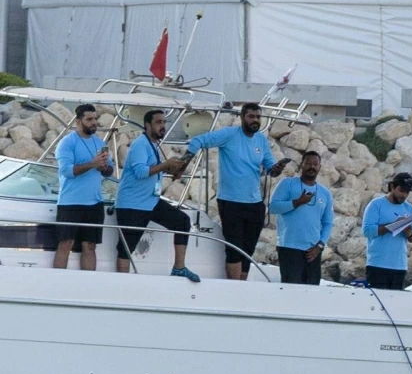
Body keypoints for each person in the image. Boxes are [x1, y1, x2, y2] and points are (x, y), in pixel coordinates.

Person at [181, 103, 289, 280]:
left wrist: (278, 167)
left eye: (258, 117)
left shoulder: (261, 140)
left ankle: (241, 286)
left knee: (248, 250)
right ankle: (234, 287)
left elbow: (270, 169)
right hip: (231, 202)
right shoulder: (230, 134)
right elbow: (198, 140)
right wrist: (183, 162)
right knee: (234, 248)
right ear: (242, 118)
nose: (255, 120)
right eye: (251, 116)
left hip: (254, 203)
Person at [114, 109, 200, 281]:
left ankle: (179, 267)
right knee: (126, 248)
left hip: (150, 201)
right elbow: (141, 172)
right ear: (147, 125)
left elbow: (153, 169)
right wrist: (165, 164)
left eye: (164, 122)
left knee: (182, 221)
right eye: (159, 122)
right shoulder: (140, 144)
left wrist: (172, 169)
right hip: (132, 205)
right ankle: (122, 284)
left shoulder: (153, 144)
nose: (163, 126)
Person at [53, 103, 114, 270]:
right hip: (70, 202)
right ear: (79, 121)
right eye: (89, 119)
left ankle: (89, 284)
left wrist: (103, 167)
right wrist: (92, 164)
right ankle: (56, 284)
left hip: (94, 203)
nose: (94, 122)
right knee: (66, 244)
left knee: (90, 246)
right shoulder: (67, 143)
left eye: (95, 118)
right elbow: (66, 171)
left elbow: (110, 170)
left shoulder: (99, 142)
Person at [268, 150, 334, 285]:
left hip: (313, 251)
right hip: (289, 247)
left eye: (315, 164)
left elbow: (328, 222)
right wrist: (297, 202)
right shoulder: (287, 184)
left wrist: (320, 246)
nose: (312, 166)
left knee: (311, 293)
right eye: (308, 163)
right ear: (301, 165)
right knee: (290, 292)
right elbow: (273, 207)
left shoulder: (325, 193)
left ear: (320, 167)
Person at [361, 171, 412, 290]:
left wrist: (409, 234)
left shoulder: (409, 208)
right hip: (377, 265)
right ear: (392, 187)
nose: (404, 195)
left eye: (407, 192)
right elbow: (367, 231)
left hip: (400, 266)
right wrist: (394, 225)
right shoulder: (376, 205)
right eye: (401, 190)